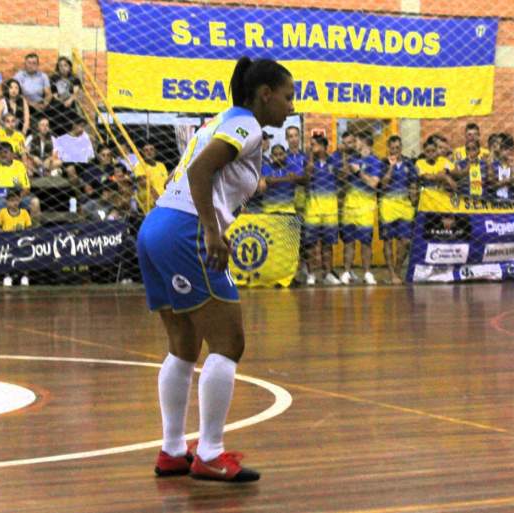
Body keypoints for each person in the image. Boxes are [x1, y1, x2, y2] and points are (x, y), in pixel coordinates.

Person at [137, 56, 293, 483]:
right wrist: (210, 230)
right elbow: (201, 170)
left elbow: (199, 171)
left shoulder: (220, 120)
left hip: (156, 226)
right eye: (287, 97)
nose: (291, 107)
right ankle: (209, 453)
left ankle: (173, 451)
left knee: (183, 344)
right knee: (228, 341)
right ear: (265, 95)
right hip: (185, 230)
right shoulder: (246, 124)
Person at [338, 131, 383, 285]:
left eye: (355, 141)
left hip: (366, 208)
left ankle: (367, 273)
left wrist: (358, 172)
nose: (353, 144)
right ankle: (346, 272)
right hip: (349, 206)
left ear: (364, 142)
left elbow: (373, 183)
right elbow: (342, 178)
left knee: (366, 243)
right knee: (348, 242)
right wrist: (344, 157)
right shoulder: (351, 159)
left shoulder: (375, 161)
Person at [302, 135, 341, 286]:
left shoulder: (334, 161)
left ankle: (328, 273)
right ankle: (311, 274)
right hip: (312, 209)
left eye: (314, 145)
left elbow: (342, 177)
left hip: (330, 209)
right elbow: (307, 176)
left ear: (324, 146)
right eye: (311, 145)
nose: (311, 147)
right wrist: (311, 156)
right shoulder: (308, 160)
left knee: (327, 244)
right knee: (311, 244)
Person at [379, 135, 417, 284]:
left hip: (405, 206)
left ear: (401, 148)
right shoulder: (382, 163)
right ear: (388, 148)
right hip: (387, 205)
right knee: (388, 241)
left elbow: (413, 183)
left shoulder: (409, 163)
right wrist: (391, 166)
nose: (395, 151)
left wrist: (414, 198)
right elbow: (383, 185)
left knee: (406, 241)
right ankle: (391, 274)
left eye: (398, 148)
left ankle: (397, 270)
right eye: (392, 148)